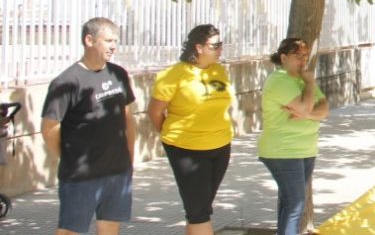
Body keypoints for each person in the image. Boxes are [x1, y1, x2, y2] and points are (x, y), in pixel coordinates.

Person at [40, 17, 137, 235]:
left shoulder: (118, 74)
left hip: (117, 172)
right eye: (108, 41)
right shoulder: (67, 81)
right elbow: (49, 128)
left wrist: (129, 160)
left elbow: (128, 120)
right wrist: (69, 158)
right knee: (70, 230)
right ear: (89, 40)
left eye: (115, 41)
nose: (114, 46)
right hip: (81, 176)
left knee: (110, 228)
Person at [146, 24, 233, 235]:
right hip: (186, 148)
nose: (220, 49)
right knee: (199, 210)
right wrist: (173, 137)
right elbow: (155, 113)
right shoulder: (173, 75)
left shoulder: (219, 70)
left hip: (220, 145)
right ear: (199, 47)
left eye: (221, 44)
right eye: (215, 45)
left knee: (200, 207)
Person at [258, 38, 330, 235]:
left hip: (305, 149)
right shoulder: (279, 80)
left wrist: (306, 113)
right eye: (297, 56)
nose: (303, 60)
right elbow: (308, 105)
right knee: (296, 204)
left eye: (305, 56)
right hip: (283, 150)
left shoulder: (303, 79)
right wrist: (309, 88)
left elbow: (324, 108)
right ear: (283, 57)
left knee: (290, 202)